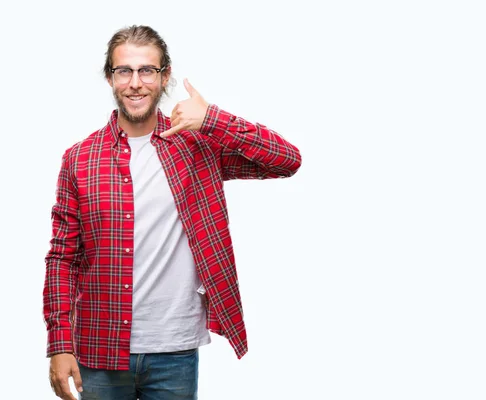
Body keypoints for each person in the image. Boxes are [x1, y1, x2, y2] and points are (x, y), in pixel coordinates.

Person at [43, 24, 301, 400]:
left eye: (147, 70)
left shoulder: (197, 145)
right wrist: (58, 343)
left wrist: (213, 118)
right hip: (99, 347)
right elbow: (62, 257)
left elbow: (287, 160)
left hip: (175, 349)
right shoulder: (79, 159)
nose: (136, 82)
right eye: (124, 71)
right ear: (110, 78)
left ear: (164, 77)